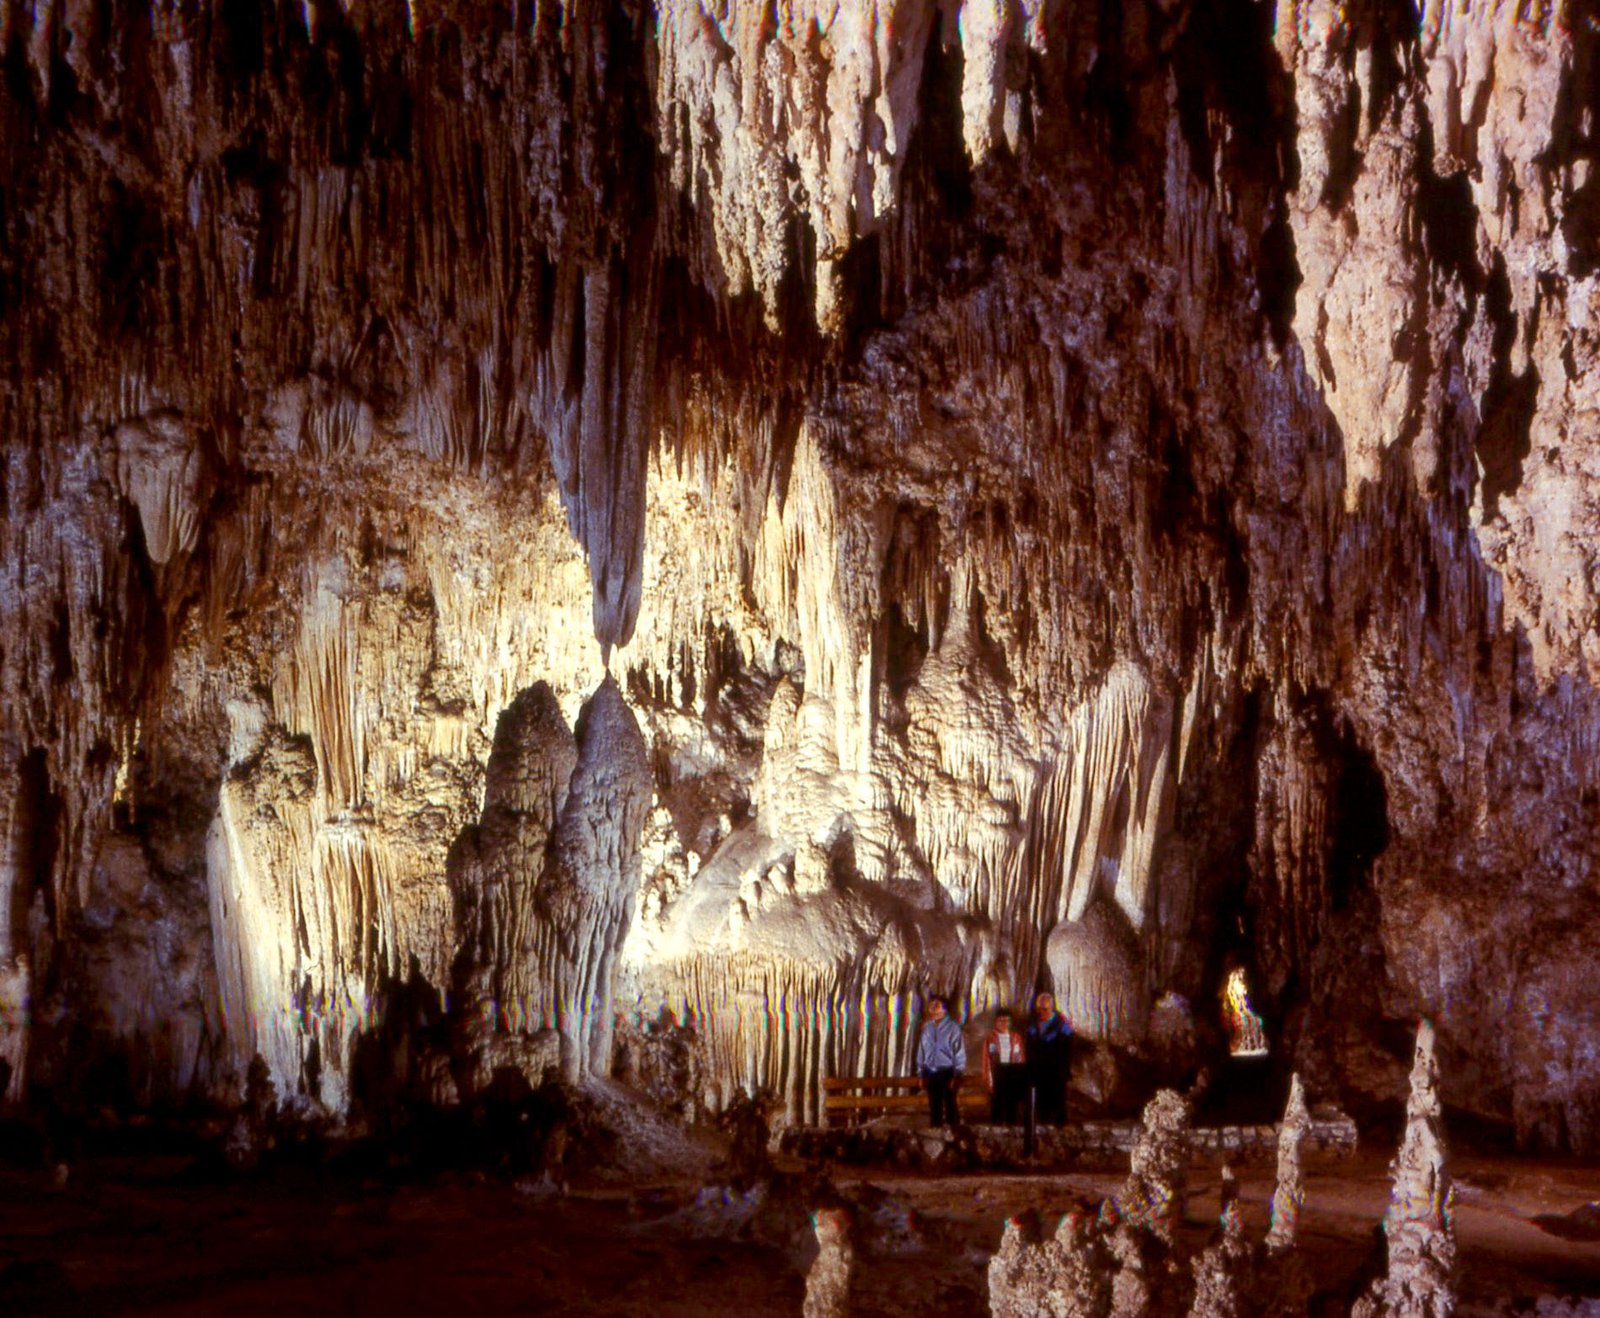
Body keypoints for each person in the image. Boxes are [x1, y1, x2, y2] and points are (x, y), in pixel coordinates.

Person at [915, 994, 967, 1128]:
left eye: (936, 1006)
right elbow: (922, 1050)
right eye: (931, 1006)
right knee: (934, 1105)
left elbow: (959, 1051)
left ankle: (954, 1131)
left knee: (950, 1104)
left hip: (947, 1071)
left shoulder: (953, 1028)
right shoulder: (927, 1028)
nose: (933, 1009)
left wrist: (957, 1073)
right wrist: (920, 1072)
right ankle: (935, 1131)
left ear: (944, 1009)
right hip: (931, 1071)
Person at [1025, 991, 1073, 1126]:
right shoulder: (1033, 1024)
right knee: (1041, 1099)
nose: (1041, 1012)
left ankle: (1059, 1125)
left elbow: (1067, 1051)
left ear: (1051, 1008)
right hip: (1039, 1069)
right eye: (1039, 1009)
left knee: (1057, 1099)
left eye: (1044, 1009)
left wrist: (1064, 1069)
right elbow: (1029, 1047)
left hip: (1056, 1070)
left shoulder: (1062, 1026)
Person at [982, 1009, 1028, 1124]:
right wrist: (989, 1079)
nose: (1004, 1023)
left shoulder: (1016, 1037)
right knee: (997, 1106)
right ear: (996, 1022)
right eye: (1001, 1021)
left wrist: (1021, 1078)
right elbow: (986, 1059)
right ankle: (996, 1127)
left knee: (1012, 1107)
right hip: (997, 1074)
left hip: (1012, 1074)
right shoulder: (990, 1038)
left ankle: (1012, 1128)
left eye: (1007, 1021)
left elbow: (1020, 1058)